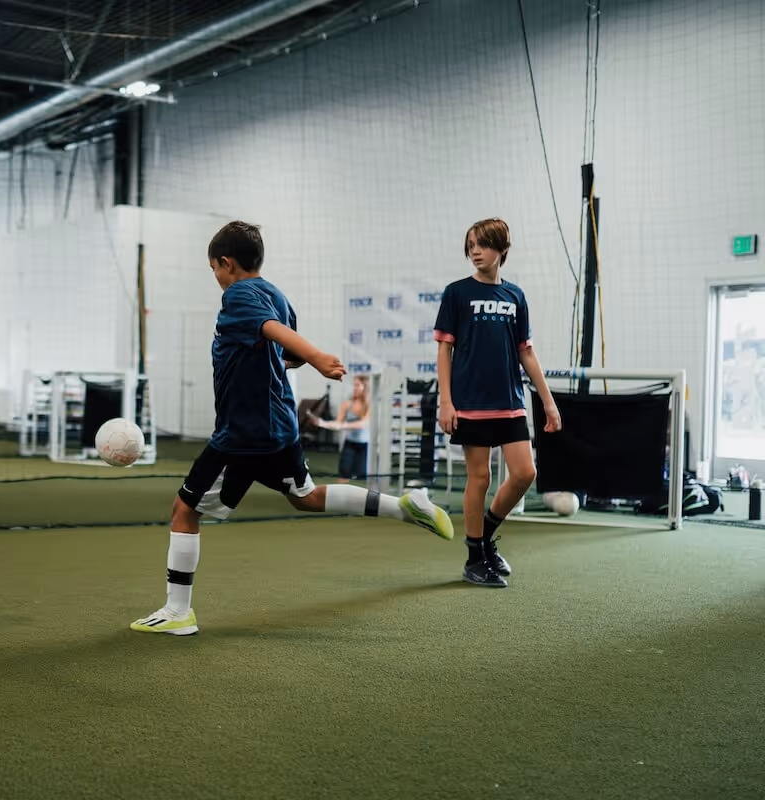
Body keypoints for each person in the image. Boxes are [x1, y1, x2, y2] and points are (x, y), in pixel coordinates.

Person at [131, 222, 454, 636]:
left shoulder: (240, 294)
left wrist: (318, 356)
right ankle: (405, 506)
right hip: (279, 424)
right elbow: (287, 350)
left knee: (185, 510)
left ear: (226, 264)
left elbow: (276, 333)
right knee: (305, 496)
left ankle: (178, 613)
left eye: (214, 268)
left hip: (243, 433)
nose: (215, 276)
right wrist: (284, 361)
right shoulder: (275, 293)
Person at [434, 218, 561, 588]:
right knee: (480, 477)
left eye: (483, 245)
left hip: (510, 401)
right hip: (470, 402)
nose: (475, 251)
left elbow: (528, 354)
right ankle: (475, 559)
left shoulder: (515, 296)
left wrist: (548, 404)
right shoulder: (456, 293)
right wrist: (446, 401)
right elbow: (444, 350)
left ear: (501, 250)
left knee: (525, 473)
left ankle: (484, 537)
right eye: (471, 245)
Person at [311, 374, 371, 482]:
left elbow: (363, 424)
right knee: (344, 475)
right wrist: (322, 423)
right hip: (350, 444)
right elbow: (337, 423)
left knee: (363, 477)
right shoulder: (347, 404)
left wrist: (343, 425)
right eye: (353, 385)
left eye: (357, 385)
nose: (354, 388)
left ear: (365, 387)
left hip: (366, 446)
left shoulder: (370, 405)